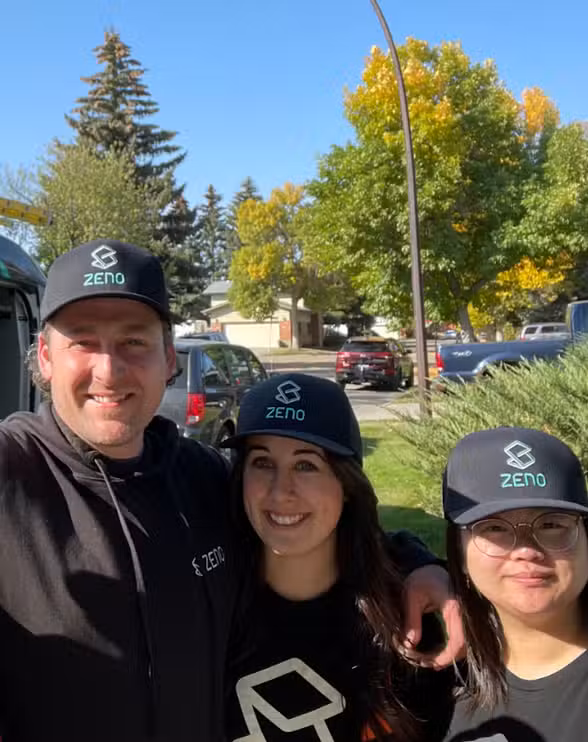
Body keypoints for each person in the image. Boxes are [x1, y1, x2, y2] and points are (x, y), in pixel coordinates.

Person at [0, 239, 460, 742]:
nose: (108, 370)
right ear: (45, 356)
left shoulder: (204, 478)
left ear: (168, 358)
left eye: (133, 341)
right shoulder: (11, 473)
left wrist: (421, 566)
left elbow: (317, 518)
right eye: (83, 342)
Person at [222, 373, 456, 741]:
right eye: (263, 462)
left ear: (346, 485)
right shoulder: (211, 602)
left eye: (306, 465)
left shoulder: (402, 620)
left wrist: (425, 567)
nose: (280, 492)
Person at [442, 427, 588, 742]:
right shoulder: (442, 679)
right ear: (458, 553)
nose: (526, 549)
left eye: (551, 524)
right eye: (494, 528)